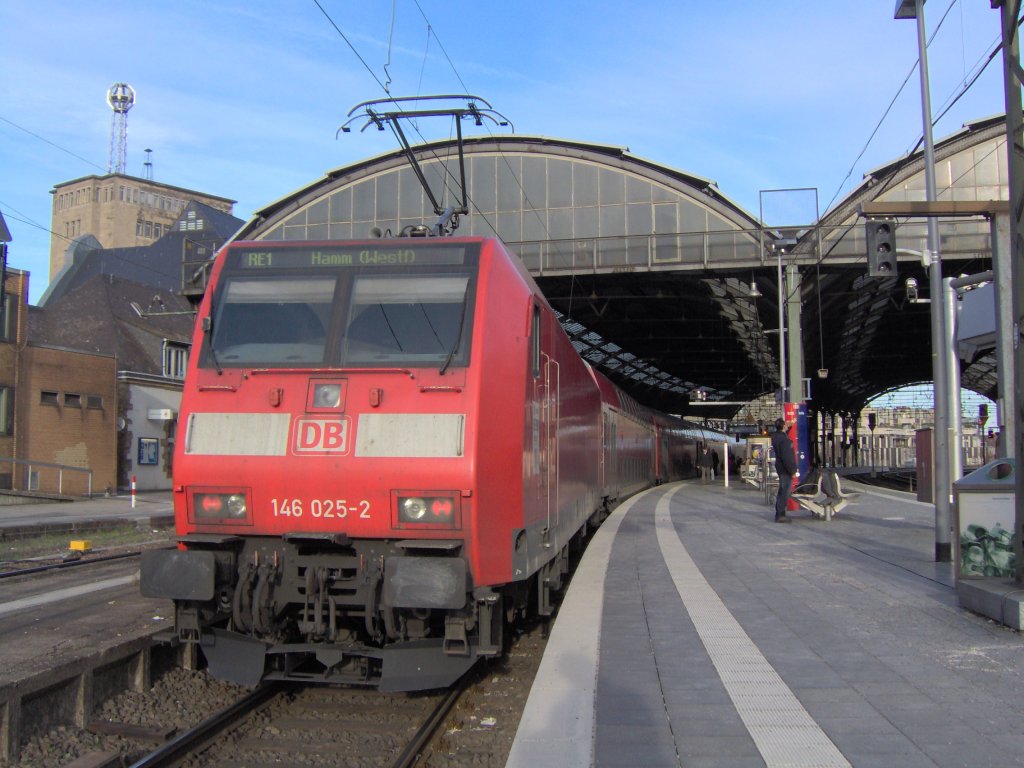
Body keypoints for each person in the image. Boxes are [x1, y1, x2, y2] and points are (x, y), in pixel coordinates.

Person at [771, 417, 798, 522]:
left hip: (780, 467)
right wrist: (793, 471)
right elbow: (787, 457)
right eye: (786, 424)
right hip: (785, 469)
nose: (787, 425)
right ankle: (781, 515)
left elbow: (783, 432)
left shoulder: (776, 437)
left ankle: (779, 513)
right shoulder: (785, 440)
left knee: (782, 490)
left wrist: (789, 425)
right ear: (783, 426)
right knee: (785, 491)